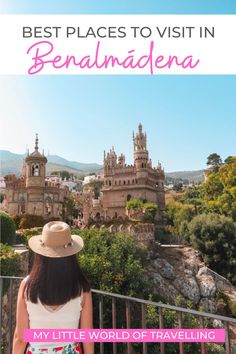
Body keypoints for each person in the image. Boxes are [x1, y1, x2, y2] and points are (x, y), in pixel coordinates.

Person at [12, 221, 94, 354]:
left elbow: (20, 338)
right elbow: (87, 335)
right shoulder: (82, 288)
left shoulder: (27, 286)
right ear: (71, 254)